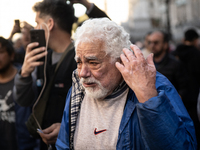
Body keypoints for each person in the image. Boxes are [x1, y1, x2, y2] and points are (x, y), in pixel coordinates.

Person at [55, 18, 197, 150]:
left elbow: (182, 146)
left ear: (121, 61)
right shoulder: (78, 88)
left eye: (93, 63)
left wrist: (148, 97)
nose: (82, 73)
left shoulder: (154, 86)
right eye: (79, 62)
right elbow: (63, 144)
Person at [13, 1, 109, 149]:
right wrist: (24, 74)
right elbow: (23, 101)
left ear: (49, 23)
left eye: (38, 23)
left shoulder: (81, 58)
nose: (35, 28)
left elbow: (102, 108)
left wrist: (68, 128)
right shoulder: (41, 58)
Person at [172, 28, 200, 148]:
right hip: (193, 94)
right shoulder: (196, 53)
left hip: (178, 94)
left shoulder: (175, 53)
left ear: (184, 39)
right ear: (195, 40)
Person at [148, 30, 188, 103]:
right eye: (150, 42)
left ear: (165, 44)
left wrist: (176, 100)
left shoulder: (175, 64)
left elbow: (184, 88)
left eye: (156, 42)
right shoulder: (147, 64)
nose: (152, 45)